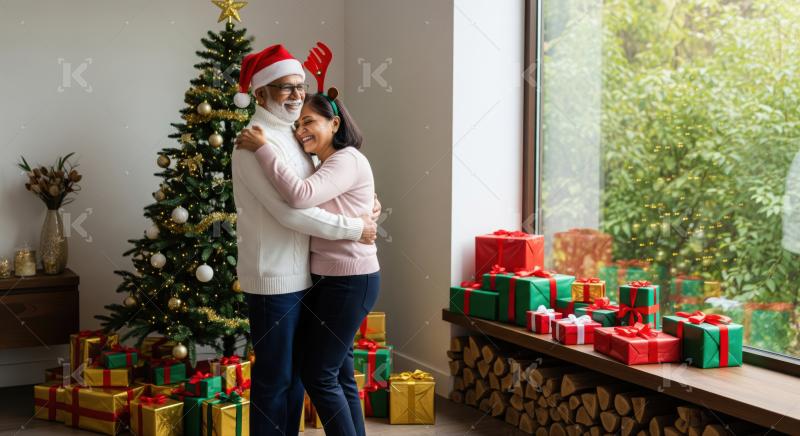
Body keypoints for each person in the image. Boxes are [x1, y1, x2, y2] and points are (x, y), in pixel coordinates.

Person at [231, 44, 379, 436]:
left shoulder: (296, 138)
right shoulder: (254, 143)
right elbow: (289, 212)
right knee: (274, 381)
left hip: (308, 278)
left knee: (298, 379)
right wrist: (354, 228)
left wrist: (369, 204)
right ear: (260, 93)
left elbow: (326, 188)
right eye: (286, 88)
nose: (297, 95)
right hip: (273, 278)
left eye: (300, 86)